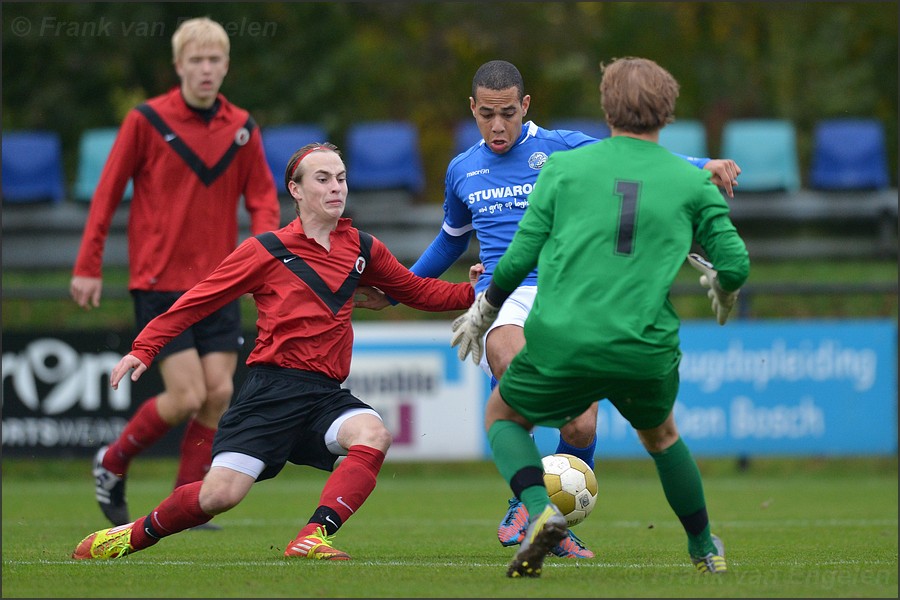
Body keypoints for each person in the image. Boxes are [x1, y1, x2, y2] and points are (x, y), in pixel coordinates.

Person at [354, 59, 742, 559]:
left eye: (509, 114)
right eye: (487, 115)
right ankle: (530, 504)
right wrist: (398, 289)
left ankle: (553, 519)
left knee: (580, 426)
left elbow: (628, 156)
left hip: (564, 291)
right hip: (503, 293)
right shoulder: (461, 169)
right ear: (472, 109)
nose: (498, 125)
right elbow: (449, 243)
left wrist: (700, 165)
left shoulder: (560, 149)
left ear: (525, 106)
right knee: (513, 373)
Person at [72, 142, 477, 561]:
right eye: (322, 179)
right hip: (270, 394)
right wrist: (145, 347)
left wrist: (482, 292)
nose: (336, 187)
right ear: (296, 191)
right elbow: (198, 300)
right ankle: (132, 535)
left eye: (340, 178)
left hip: (324, 395)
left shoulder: (361, 247)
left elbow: (419, 291)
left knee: (373, 434)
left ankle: (313, 536)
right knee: (219, 496)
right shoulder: (264, 250)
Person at [70, 17, 282, 530]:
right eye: (196, 61)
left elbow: (262, 200)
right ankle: (113, 460)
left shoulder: (242, 128)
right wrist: (88, 264)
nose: (206, 70)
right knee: (188, 395)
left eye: (215, 61)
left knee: (218, 394)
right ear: (179, 66)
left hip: (219, 282)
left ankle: (189, 498)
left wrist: (263, 261)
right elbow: (106, 193)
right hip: (158, 280)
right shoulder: (145, 121)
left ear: (226, 66)